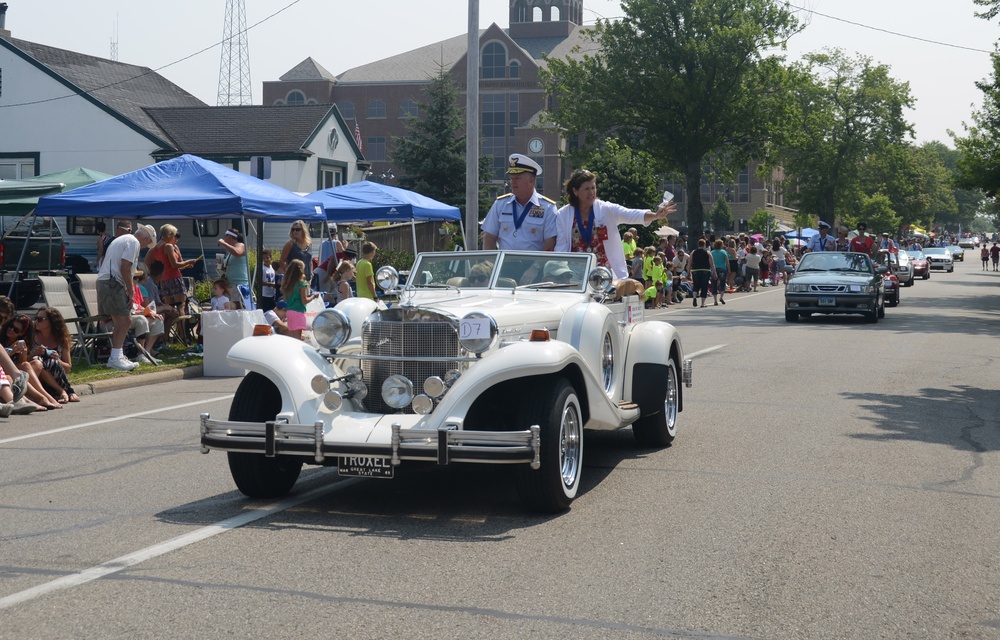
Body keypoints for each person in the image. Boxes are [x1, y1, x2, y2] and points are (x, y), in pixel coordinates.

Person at [555, 169, 676, 280]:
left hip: (605, 273)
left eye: (593, 187)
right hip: (576, 274)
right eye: (587, 189)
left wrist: (655, 215)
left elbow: (631, 214)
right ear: (575, 191)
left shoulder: (606, 209)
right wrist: (559, 273)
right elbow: (561, 247)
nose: (591, 192)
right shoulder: (563, 214)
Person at [97, 223, 157, 371]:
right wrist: (131, 291)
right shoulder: (133, 242)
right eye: (148, 243)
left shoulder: (123, 239)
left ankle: (117, 355)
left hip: (107, 281)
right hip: (113, 283)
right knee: (125, 320)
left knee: (121, 321)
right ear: (145, 238)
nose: (145, 246)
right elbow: (125, 267)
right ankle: (115, 357)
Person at [482, 154, 558, 251]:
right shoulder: (500, 204)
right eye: (511, 178)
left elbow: (549, 244)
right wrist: (490, 263)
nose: (512, 182)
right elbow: (489, 237)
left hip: (534, 263)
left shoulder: (548, 208)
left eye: (517, 178)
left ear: (531, 180)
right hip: (504, 264)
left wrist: (535, 267)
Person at [1, 314, 60, 410]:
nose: (11, 330)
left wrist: (23, 354)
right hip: (5, 373)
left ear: (21, 333)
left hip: (15, 372)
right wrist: (10, 352)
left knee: (31, 364)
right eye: (10, 326)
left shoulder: (22, 342)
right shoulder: (1, 339)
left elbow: (22, 363)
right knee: (16, 374)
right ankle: (38, 398)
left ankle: (44, 396)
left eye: (16, 330)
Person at [26, 308, 79, 402]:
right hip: (37, 378)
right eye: (36, 318)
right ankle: (65, 391)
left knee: (51, 362)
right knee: (38, 361)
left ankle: (61, 392)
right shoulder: (31, 336)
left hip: (54, 375)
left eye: (40, 319)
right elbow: (23, 361)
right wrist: (33, 353)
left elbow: (67, 368)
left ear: (51, 322)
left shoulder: (61, 340)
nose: (36, 322)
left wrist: (58, 359)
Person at [145, 224, 199, 311]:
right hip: (175, 278)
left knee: (169, 308)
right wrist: (189, 261)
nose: (175, 238)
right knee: (181, 306)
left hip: (163, 279)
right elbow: (174, 265)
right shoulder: (168, 246)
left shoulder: (155, 248)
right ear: (169, 234)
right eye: (175, 235)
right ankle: (182, 325)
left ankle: (169, 325)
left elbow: (147, 262)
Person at [280, 258, 319, 340]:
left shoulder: (287, 284)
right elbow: (304, 301)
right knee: (299, 338)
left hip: (289, 312)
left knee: (292, 338)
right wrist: (313, 296)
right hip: (298, 312)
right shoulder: (302, 284)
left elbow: (285, 300)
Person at [217, 227, 249, 309]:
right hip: (232, 284)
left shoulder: (240, 245)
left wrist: (224, 243)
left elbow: (238, 252)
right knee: (233, 307)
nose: (224, 238)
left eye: (225, 236)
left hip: (239, 284)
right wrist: (221, 266)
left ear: (230, 236)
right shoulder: (230, 252)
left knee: (238, 307)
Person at [279, 220, 313, 285]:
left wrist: (311, 272)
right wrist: (288, 274)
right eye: (293, 229)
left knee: (306, 295)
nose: (295, 231)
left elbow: (310, 261)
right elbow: (281, 261)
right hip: (294, 280)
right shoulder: (290, 244)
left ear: (303, 230)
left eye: (297, 229)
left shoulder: (309, 243)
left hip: (307, 279)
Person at [688, 239, 717, 307]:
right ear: (704, 245)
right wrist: (714, 273)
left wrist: (688, 272)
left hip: (695, 270)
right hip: (705, 270)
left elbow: (689, 262)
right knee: (704, 286)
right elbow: (712, 264)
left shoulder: (693, 252)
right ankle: (702, 303)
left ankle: (694, 297)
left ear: (698, 244)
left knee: (696, 285)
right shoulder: (707, 252)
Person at [710, 239, 729, 304]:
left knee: (714, 284)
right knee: (722, 283)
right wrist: (729, 269)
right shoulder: (723, 252)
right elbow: (727, 261)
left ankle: (715, 300)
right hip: (722, 269)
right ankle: (721, 297)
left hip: (714, 269)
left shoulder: (712, 252)